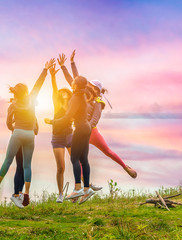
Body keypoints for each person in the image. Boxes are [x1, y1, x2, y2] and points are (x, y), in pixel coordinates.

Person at [0, 58, 55, 207]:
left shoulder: (12, 105)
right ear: (26, 92)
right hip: (30, 135)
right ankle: (26, 193)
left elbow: (7, 123)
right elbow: (39, 84)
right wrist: (45, 69)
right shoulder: (32, 99)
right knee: (27, 165)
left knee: (8, 160)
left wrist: (14, 130)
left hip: (17, 133)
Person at [68, 50, 137, 178]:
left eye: (91, 85)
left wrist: (85, 128)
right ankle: (83, 183)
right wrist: (72, 62)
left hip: (91, 132)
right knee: (77, 156)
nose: (88, 86)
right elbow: (76, 80)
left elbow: (96, 118)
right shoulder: (84, 95)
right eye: (88, 84)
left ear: (97, 90)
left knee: (107, 151)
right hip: (82, 130)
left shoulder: (98, 101)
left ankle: (125, 167)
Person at [46, 54, 95, 204]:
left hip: (79, 129)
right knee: (84, 160)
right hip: (86, 127)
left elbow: (67, 118)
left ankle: (78, 188)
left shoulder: (74, 98)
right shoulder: (83, 93)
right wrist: (67, 65)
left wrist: (52, 121)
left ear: (74, 86)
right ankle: (87, 189)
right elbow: (76, 77)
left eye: (73, 83)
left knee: (74, 159)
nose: (71, 82)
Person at [44, 64, 73, 203]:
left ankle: (80, 190)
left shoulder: (73, 106)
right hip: (58, 138)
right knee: (61, 167)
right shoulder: (57, 105)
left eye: (65, 92)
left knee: (77, 163)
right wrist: (53, 76)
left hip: (70, 136)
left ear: (69, 94)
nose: (63, 93)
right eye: (61, 92)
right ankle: (60, 194)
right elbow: (54, 90)